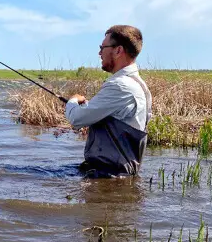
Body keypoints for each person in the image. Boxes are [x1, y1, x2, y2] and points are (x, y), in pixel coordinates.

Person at [65, 25, 152, 178]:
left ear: (118, 50)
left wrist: (73, 100)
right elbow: (117, 118)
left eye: (102, 47)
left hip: (109, 176)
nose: (99, 53)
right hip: (120, 176)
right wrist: (88, 107)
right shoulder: (140, 85)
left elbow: (76, 119)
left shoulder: (120, 85)